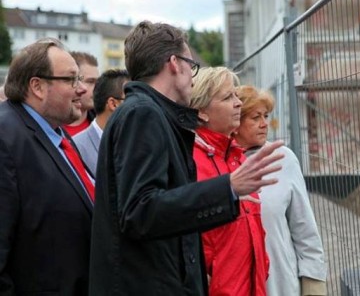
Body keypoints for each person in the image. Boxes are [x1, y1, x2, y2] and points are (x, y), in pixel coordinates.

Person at [89, 21, 284, 296]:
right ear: (173, 63)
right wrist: (227, 187)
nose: (193, 76)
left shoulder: (152, 114)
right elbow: (139, 212)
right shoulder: (142, 114)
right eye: (191, 65)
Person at [0, 38, 94, 295]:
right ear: (38, 86)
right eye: (72, 79)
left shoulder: (58, 135)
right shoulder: (6, 138)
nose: (82, 89)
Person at [234, 85, 327, 296]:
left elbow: (304, 228)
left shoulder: (283, 158)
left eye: (266, 116)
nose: (264, 124)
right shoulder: (221, 165)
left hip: (281, 282)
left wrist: (313, 283)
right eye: (255, 117)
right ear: (235, 122)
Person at [190, 67, 269, 296]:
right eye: (227, 97)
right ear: (202, 111)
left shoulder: (239, 158)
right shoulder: (190, 162)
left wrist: (264, 266)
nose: (238, 104)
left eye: (236, 95)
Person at [73, 69, 129, 174]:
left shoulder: (134, 143)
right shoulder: (75, 148)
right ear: (113, 104)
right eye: (131, 99)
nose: (139, 106)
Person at [63, 51, 100, 136]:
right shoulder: (48, 127)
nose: (98, 88)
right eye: (90, 81)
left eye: (98, 82)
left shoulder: (104, 125)